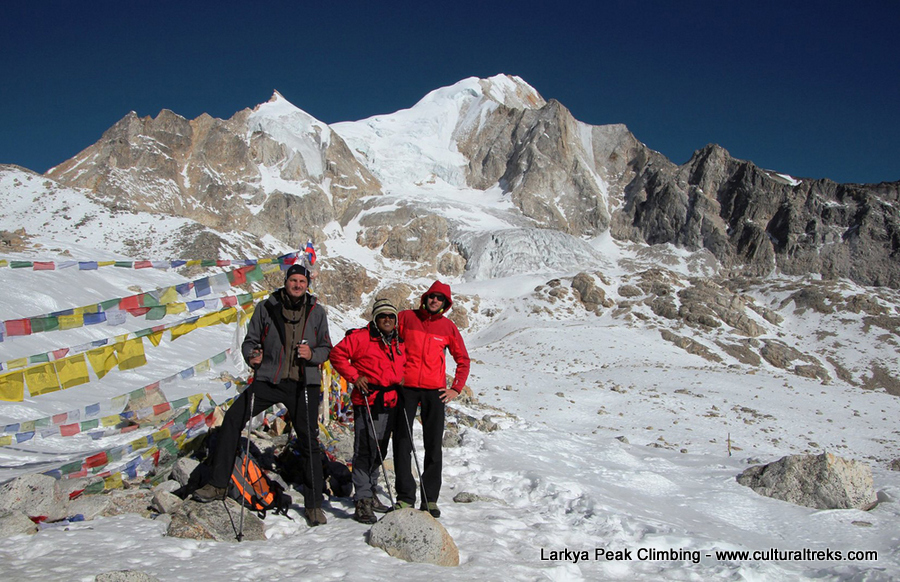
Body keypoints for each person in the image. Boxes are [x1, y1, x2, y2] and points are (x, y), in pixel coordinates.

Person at [193, 263, 332, 527]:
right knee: (233, 420)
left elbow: (327, 348)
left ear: (307, 284)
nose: (298, 285)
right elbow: (250, 341)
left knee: (309, 440)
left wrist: (312, 355)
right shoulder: (266, 307)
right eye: (294, 281)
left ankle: (314, 505)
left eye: (302, 281)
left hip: (304, 383)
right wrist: (252, 356)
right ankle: (218, 483)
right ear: (286, 281)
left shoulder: (317, 312)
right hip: (269, 378)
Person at [393, 281, 470, 518]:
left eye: (440, 299)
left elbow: (463, 360)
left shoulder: (448, 327)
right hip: (406, 389)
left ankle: (430, 499)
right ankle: (405, 497)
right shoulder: (406, 318)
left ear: (445, 304)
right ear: (425, 297)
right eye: (432, 296)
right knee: (402, 442)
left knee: (433, 445)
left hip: (434, 391)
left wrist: (455, 389)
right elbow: (386, 338)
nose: (435, 300)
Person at [328, 298, 405, 524]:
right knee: (364, 449)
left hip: (391, 402)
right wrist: (354, 377)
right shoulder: (360, 337)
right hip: (368, 401)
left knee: (379, 450)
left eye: (391, 316)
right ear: (375, 318)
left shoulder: (397, 341)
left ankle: (370, 493)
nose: (387, 320)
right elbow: (337, 355)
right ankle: (362, 499)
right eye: (382, 316)